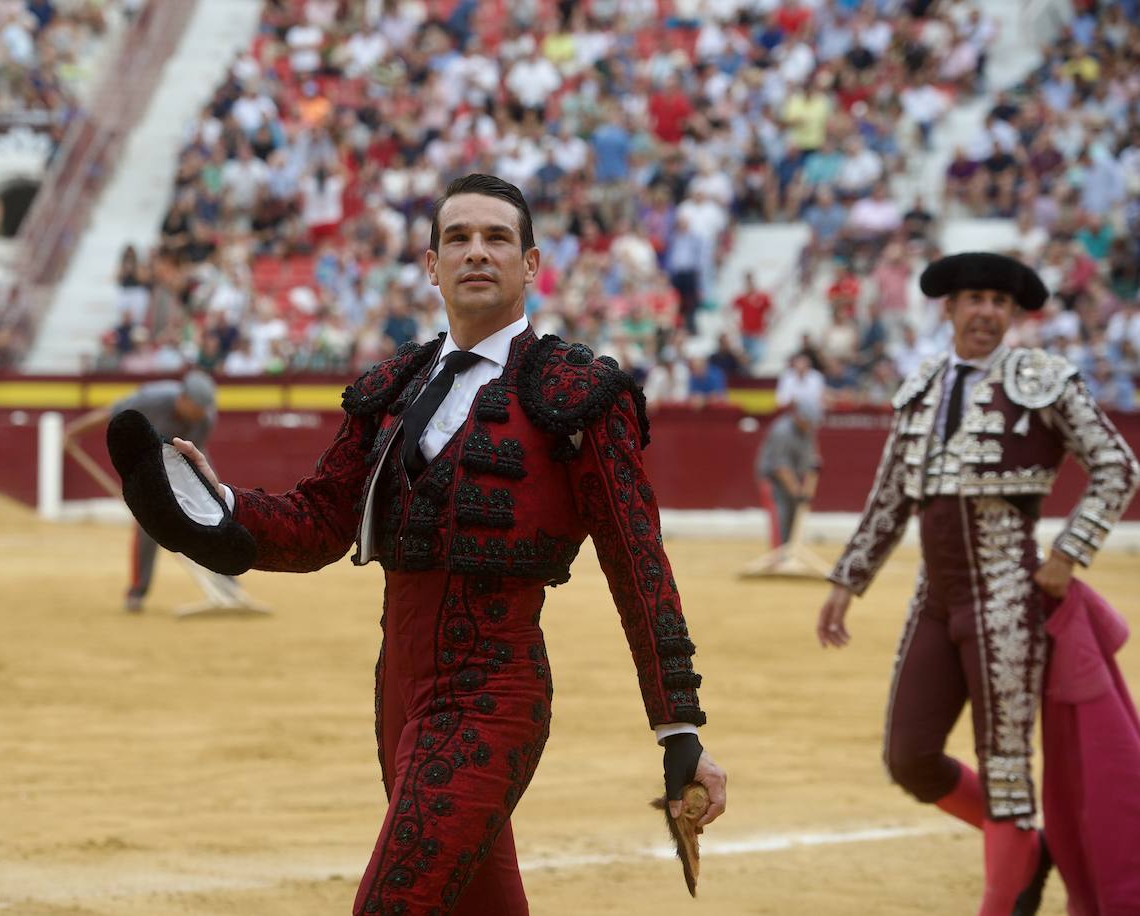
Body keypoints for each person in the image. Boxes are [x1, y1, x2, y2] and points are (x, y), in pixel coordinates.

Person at [109, 175, 727, 914]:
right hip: (397, 695)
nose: (477, 252)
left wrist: (678, 725)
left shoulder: (578, 395)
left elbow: (638, 561)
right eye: (457, 238)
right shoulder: (394, 386)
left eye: (498, 238)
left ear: (531, 265)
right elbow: (319, 522)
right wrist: (221, 510)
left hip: (491, 697)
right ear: (430, 266)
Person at [815, 252, 1139, 915]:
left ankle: (1005, 890)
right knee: (909, 756)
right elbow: (890, 498)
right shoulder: (924, 383)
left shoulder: (1043, 380)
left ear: (1013, 314)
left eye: (999, 301)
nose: (987, 311)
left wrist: (1069, 553)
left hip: (1008, 597)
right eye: (975, 299)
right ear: (950, 309)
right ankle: (1028, 849)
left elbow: (1116, 465)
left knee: (1007, 765)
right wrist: (848, 580)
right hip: (935, 601)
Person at [64, 370, 218, 612]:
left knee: (211, 513)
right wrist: (72, 432)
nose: (202, 414)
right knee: (149, 526)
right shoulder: (151, 400)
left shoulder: (205, 419)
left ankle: (226, 584)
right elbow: (108, 413)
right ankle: (137, 591)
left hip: (180, 463)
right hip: (144, 462)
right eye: (198, 408)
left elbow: (192, 458)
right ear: (184, 399)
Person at [755, 402, 821, 548]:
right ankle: (779, 555)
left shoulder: (808, 430)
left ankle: (788, 552)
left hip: (794, 478)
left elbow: (813, 464)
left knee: (792, 518)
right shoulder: (782, 431)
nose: (810, 425)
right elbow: (780, 467)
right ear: (798, 418)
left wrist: (807, 493)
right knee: (780, 518)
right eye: (808, 421)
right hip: (773, 481)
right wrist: (798, 493)